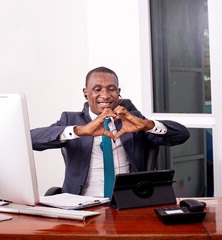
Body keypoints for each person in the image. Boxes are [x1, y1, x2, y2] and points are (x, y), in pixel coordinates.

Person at [31, 66, 190, 198]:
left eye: (111, 89)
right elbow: (29, 139)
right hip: (81, 201)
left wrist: (146, 125)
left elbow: (182, 135)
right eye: (97, 89)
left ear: (119, 91)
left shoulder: (132, 119)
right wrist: (81, 131)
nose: (105, 95)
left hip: (128, 201)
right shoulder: (71, 120)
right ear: (86, 92)